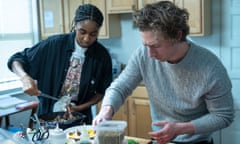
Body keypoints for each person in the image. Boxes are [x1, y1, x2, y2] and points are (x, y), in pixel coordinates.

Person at [93, 1, 234, 144]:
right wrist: (106, 110)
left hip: (196, 141)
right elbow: (121, 86)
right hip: (160, 140)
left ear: (178, 36)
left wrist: (179, 129)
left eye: (155, 46)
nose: (149, 54)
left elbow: (223, 116)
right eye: (146, 45)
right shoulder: (143, 54)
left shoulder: (210, 68)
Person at [7, 4, 112, 124]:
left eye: (93, 34)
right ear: (75, 25)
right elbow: (16, 59)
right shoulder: (53, 45)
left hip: (81, 120)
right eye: (82, 32)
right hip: (47, 119)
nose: (87, 38)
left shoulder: (102, 56)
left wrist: (79, 108)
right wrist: (25, 78)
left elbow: (101, 93)